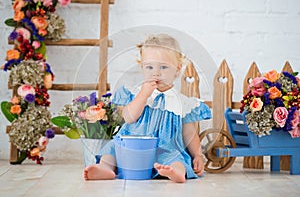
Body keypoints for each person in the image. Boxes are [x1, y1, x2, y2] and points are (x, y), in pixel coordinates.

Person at [83, 34, 211, 183]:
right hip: (132, 144)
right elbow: (129, 118)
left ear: (177, 69)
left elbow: (189, 133)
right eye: (149, 67)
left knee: (176, 158)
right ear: (142, 66)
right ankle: (106, 168)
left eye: (163, 67)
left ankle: (176, 171)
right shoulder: (136, 94)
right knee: (112, 149)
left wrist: (198, 155)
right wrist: (143, 95)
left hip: (164, 147)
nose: (156, 73)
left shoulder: (183, 103)